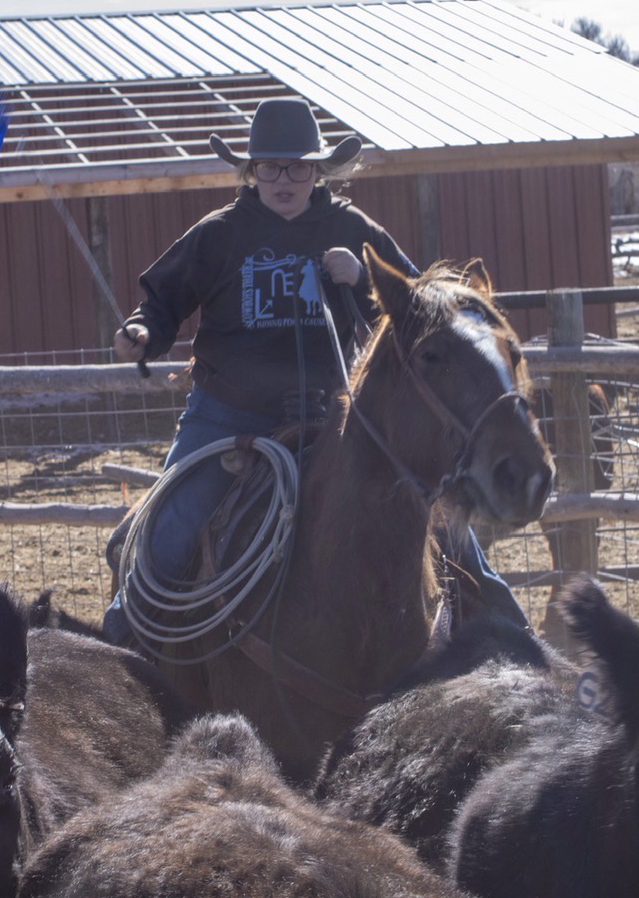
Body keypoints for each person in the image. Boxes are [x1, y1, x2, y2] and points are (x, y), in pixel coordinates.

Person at [103, 96, 528, 643]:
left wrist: (361, 279)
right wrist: (141, 332)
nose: (284, 179)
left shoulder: (350, 227)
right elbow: (162, 300)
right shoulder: (219, 233)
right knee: (169, 530)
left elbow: (422, 311)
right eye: (270, 167)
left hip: (338, 419)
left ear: (318, 169)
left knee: (440, 520)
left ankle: (514, 637)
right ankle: (120, 646)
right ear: (250, 170)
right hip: (227, 415)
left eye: (298, 166)